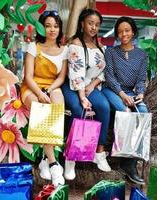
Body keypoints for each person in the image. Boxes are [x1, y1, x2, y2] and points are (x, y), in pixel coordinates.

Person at [61, 8, 111, 181]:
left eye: (97, 25)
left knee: (104, 107)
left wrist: (93, 85)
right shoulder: (74, 44)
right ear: (82, 23)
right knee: (77, 110)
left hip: (90, 86)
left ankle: (99, 152)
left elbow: (104, 72)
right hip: (72, 86)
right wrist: (82, 96)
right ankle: (70, 159)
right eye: (90, 23)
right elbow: (76, 73)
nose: (93, 27)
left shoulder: (100, 47)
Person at [21, 10, 68, 187]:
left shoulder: (64, 50)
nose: (52, 29)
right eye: (48, 26)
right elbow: (28, 77)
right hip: (32, 87)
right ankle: (53, 162)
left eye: (56, 26)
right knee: (39, 107)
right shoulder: (34, 47)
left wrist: (49, 90)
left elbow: (61, 77)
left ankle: (43, 158)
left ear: (60, 28)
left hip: (51, 85)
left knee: (57, 104)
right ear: (42, 28)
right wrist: (40, 94)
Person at [102, 16, 148, 185]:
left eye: (127, 30)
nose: (123, 34)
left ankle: (129, 163)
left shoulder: (142, 54)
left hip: (131, 92)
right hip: (112, 90)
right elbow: (109, 76)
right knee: (124, 111)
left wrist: (141, 93)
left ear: (133, 32)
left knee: (142, 113)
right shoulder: (111, 52)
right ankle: (121, 154)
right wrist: (122, 94)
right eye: (120, 31)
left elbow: (141, 79)